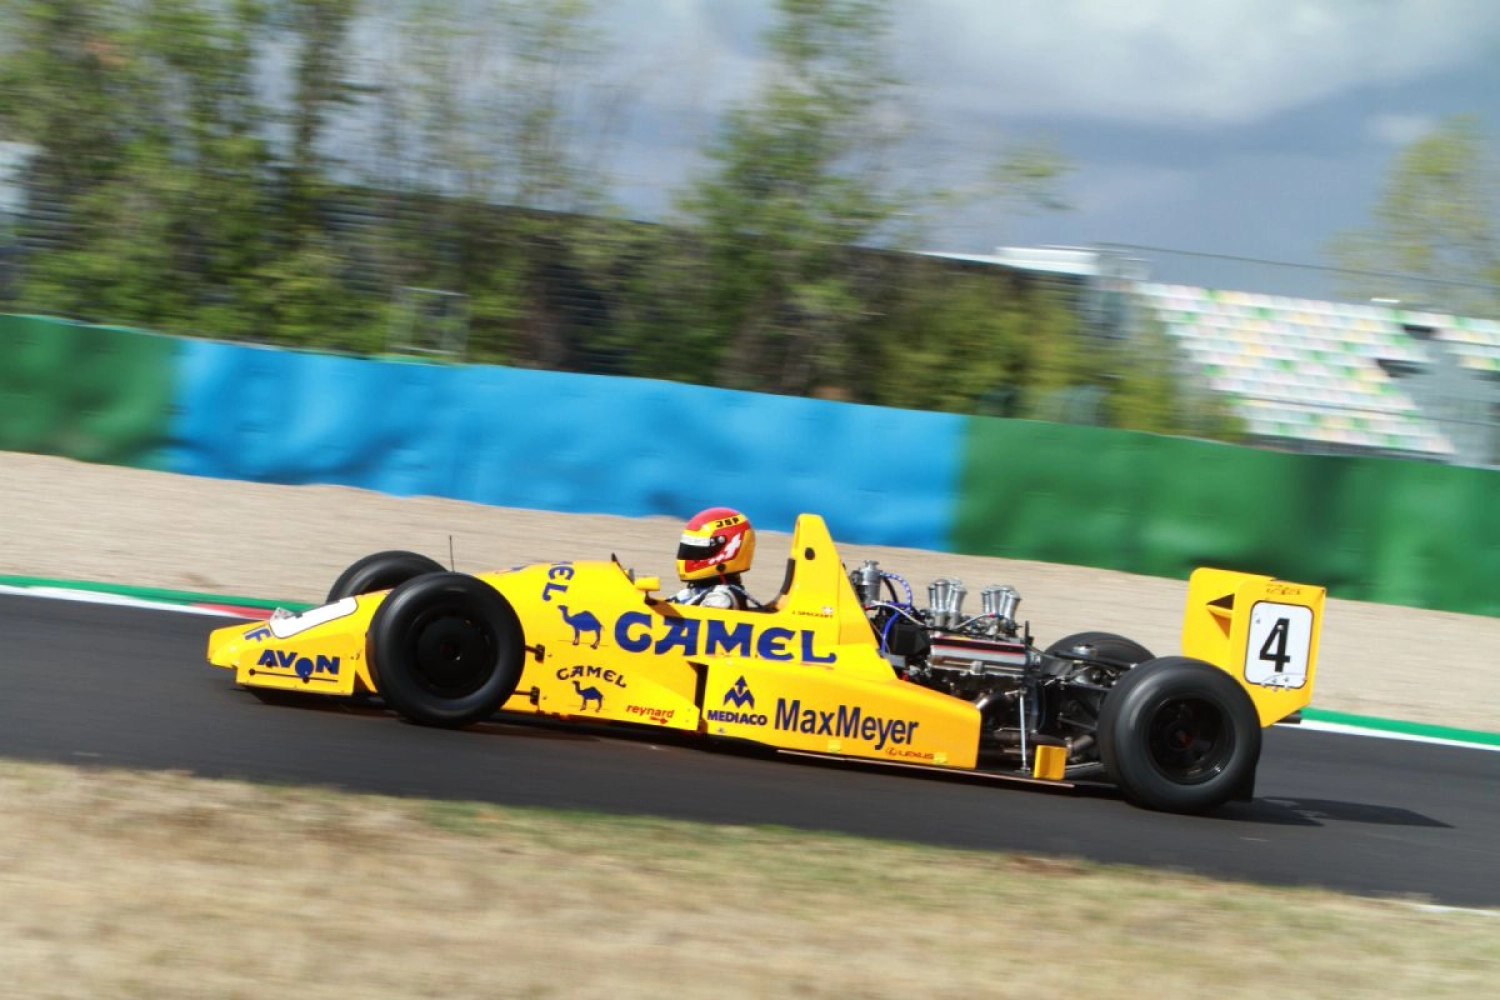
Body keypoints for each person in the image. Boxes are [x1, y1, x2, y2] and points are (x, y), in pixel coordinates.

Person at [668, 506, 761, 610]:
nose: (691, 552)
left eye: (698, 547)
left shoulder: (722, 599)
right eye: (689, 546)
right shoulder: (693, 592)